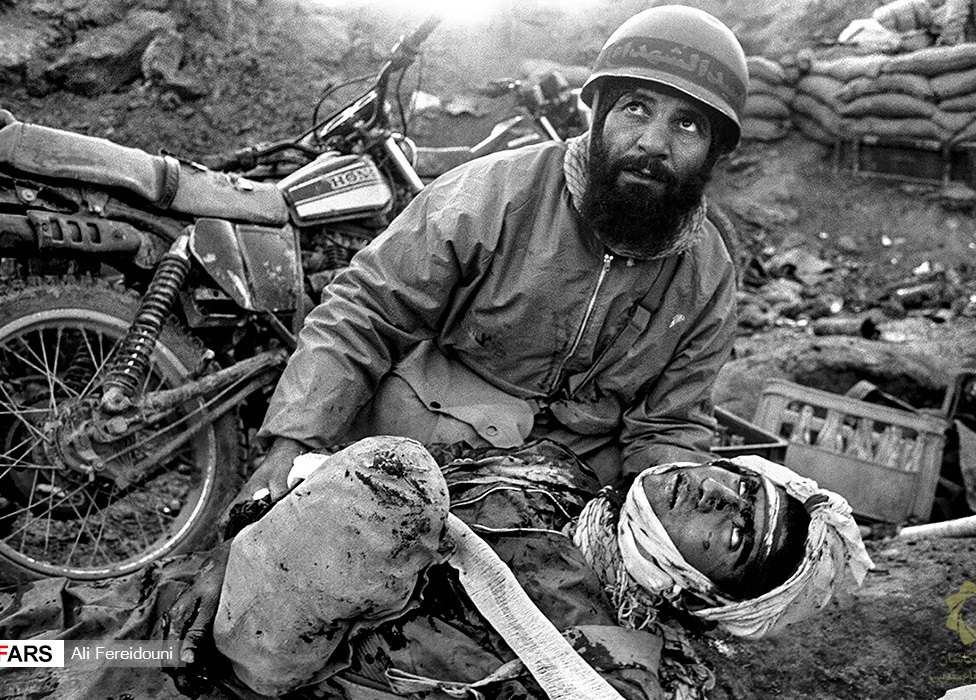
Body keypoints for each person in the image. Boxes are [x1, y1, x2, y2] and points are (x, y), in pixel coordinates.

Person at [243, 4, 748, 501]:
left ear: (714, 153)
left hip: (570, 489)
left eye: (687, 125)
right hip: (421, 456)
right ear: (598, 115)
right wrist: (293, 444)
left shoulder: (707, 277)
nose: (653, 143)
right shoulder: (496, 194)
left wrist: (668, 509)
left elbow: (669, 425)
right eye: (635, 108)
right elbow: (367, 311)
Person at [164, 436, 873, 700]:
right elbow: (315, 495)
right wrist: (234, 548)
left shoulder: (618, 670)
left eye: (736, 533)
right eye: (744, 484)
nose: (718, 495)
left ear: (703, 593)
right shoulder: (552, 475)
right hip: (187, 611)